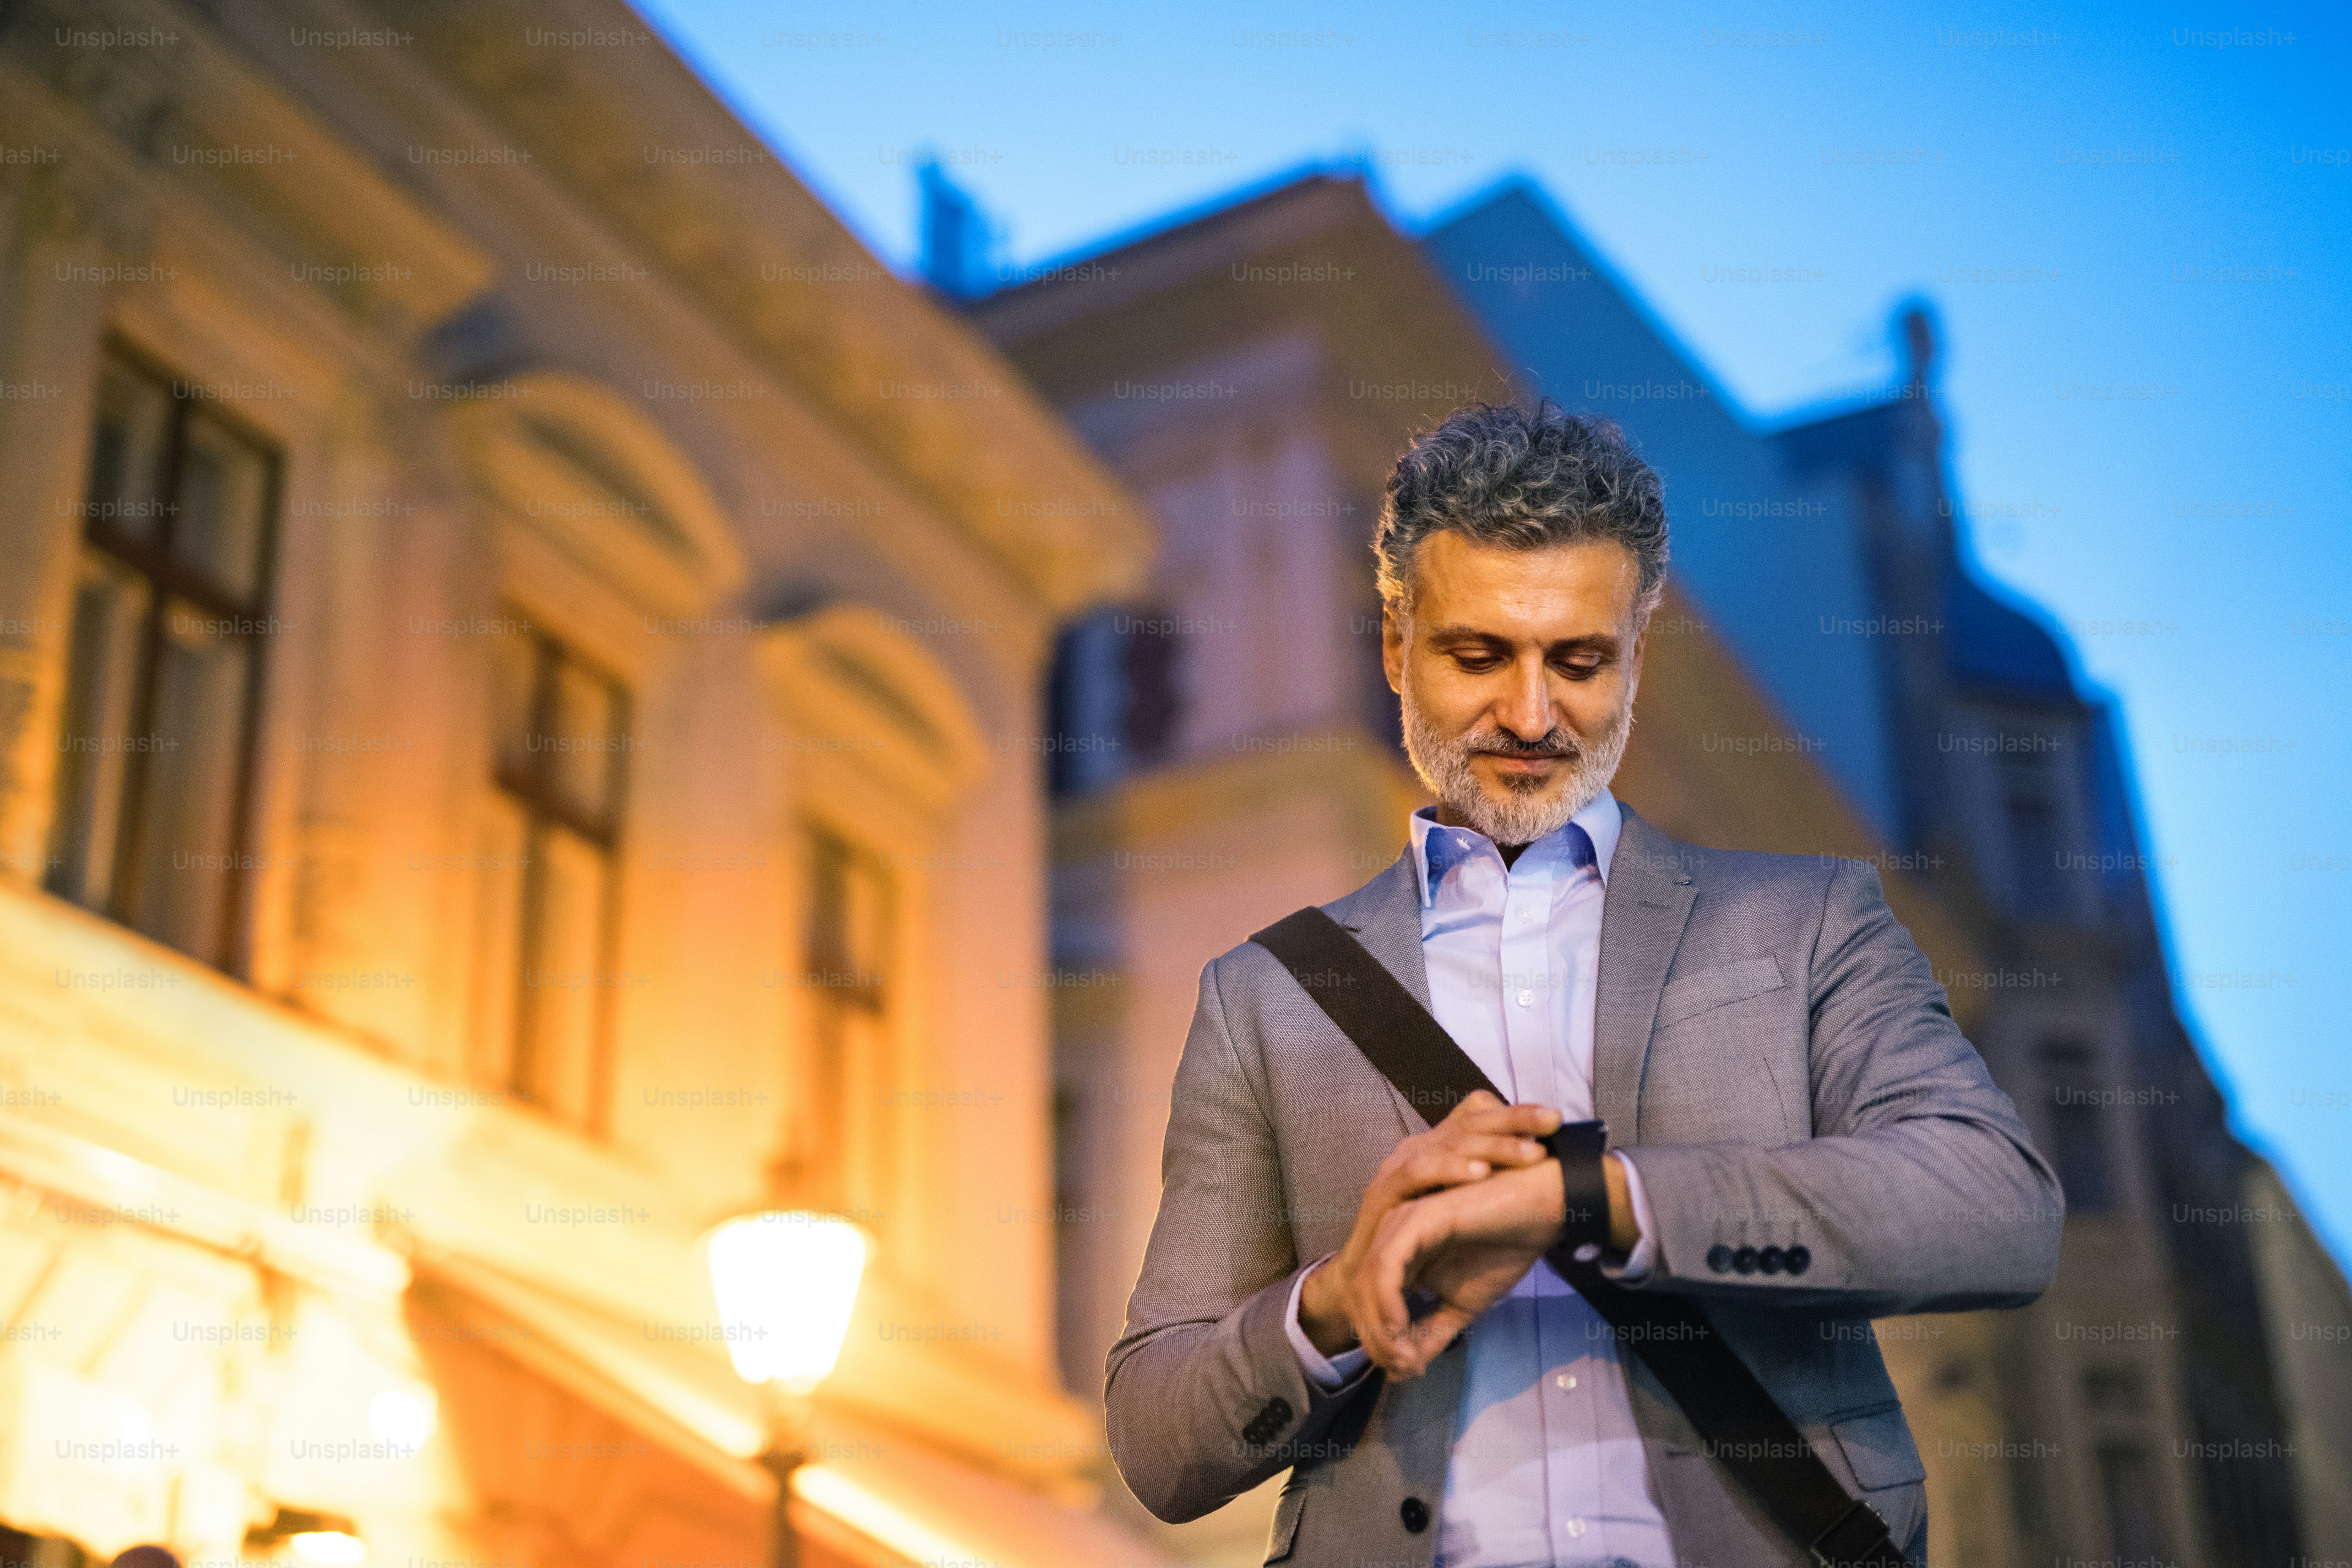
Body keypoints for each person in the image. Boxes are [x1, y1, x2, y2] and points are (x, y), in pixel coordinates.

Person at [1104, 401, 2062, 1567]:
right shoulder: (1263, 995)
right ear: (1395, 645)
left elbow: (1996, 1209)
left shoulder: (1808, 920)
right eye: (1476, 655)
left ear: (1635, 656)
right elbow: (1158, 1438)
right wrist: (1338, 1303)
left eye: (1579, 660)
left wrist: (1592, 1200)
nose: (1530, 714)